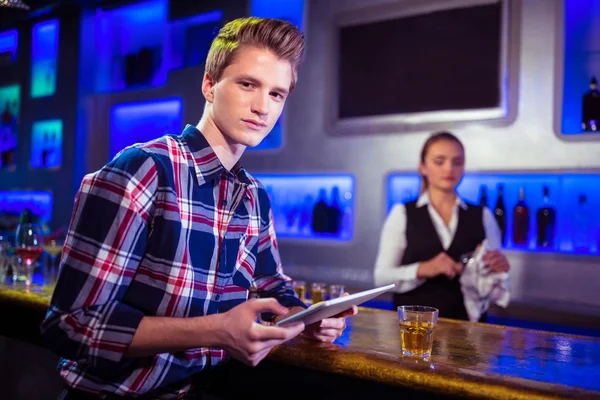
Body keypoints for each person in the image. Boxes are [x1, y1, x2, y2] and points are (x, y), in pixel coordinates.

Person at [41, 17, 357, 399]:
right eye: (247, 84)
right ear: (209, 84)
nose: (262, 107)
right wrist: (215, 330)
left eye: (277, 94)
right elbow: (70, 325)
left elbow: (272, 286)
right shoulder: (144, 169)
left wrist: (305, 318)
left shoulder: (255, 196)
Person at [374, 131, 510, 321]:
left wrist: (499, 272)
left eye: (457, 162)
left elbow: (494, 294)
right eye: (440, 161)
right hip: (414, 332)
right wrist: (423, 269)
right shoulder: (402, 213)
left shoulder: (483, 216)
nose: (449, 168)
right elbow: (381, 277)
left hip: (469, 333)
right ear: (423, 167)